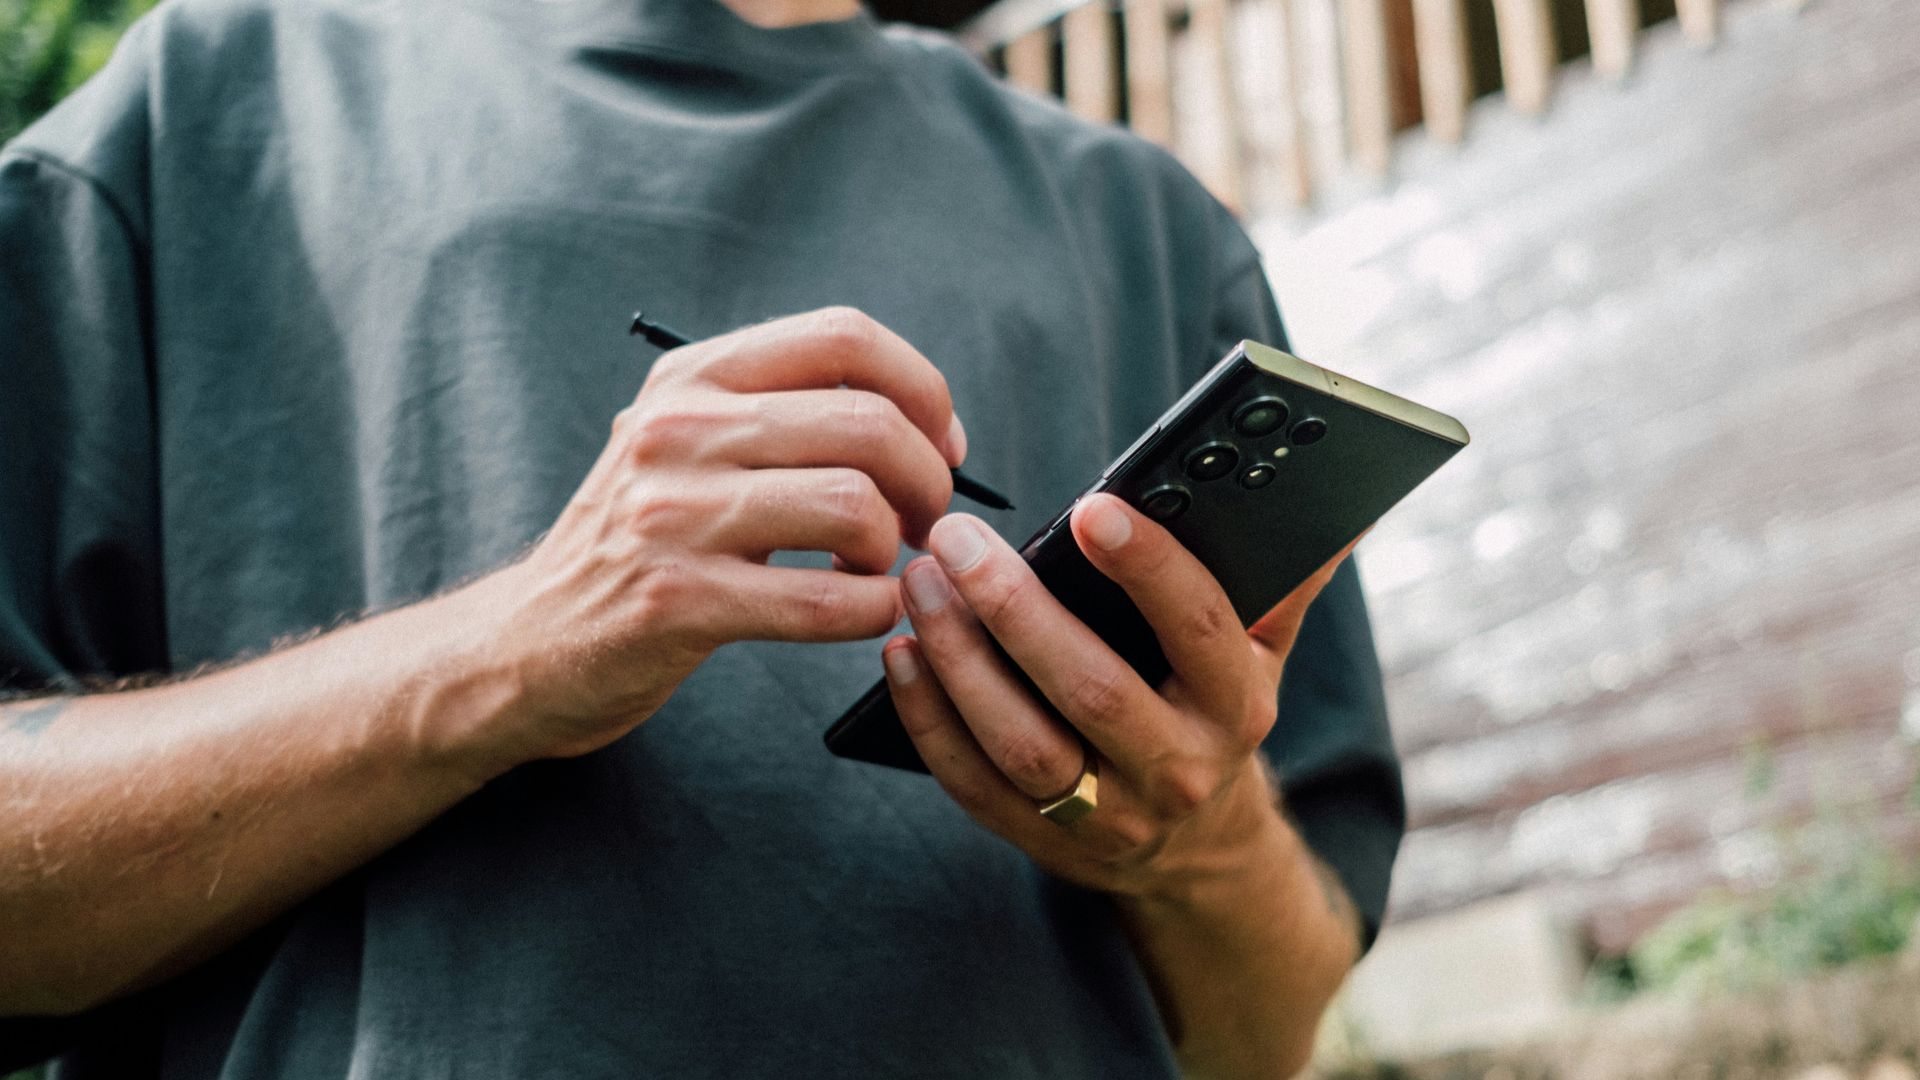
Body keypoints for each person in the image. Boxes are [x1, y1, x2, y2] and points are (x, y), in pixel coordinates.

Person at [0, 0, 1406, 1075]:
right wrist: (516, 646)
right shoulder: (207, 107)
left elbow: (1265, 1034)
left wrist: (1189, 842)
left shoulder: (1152, 228)